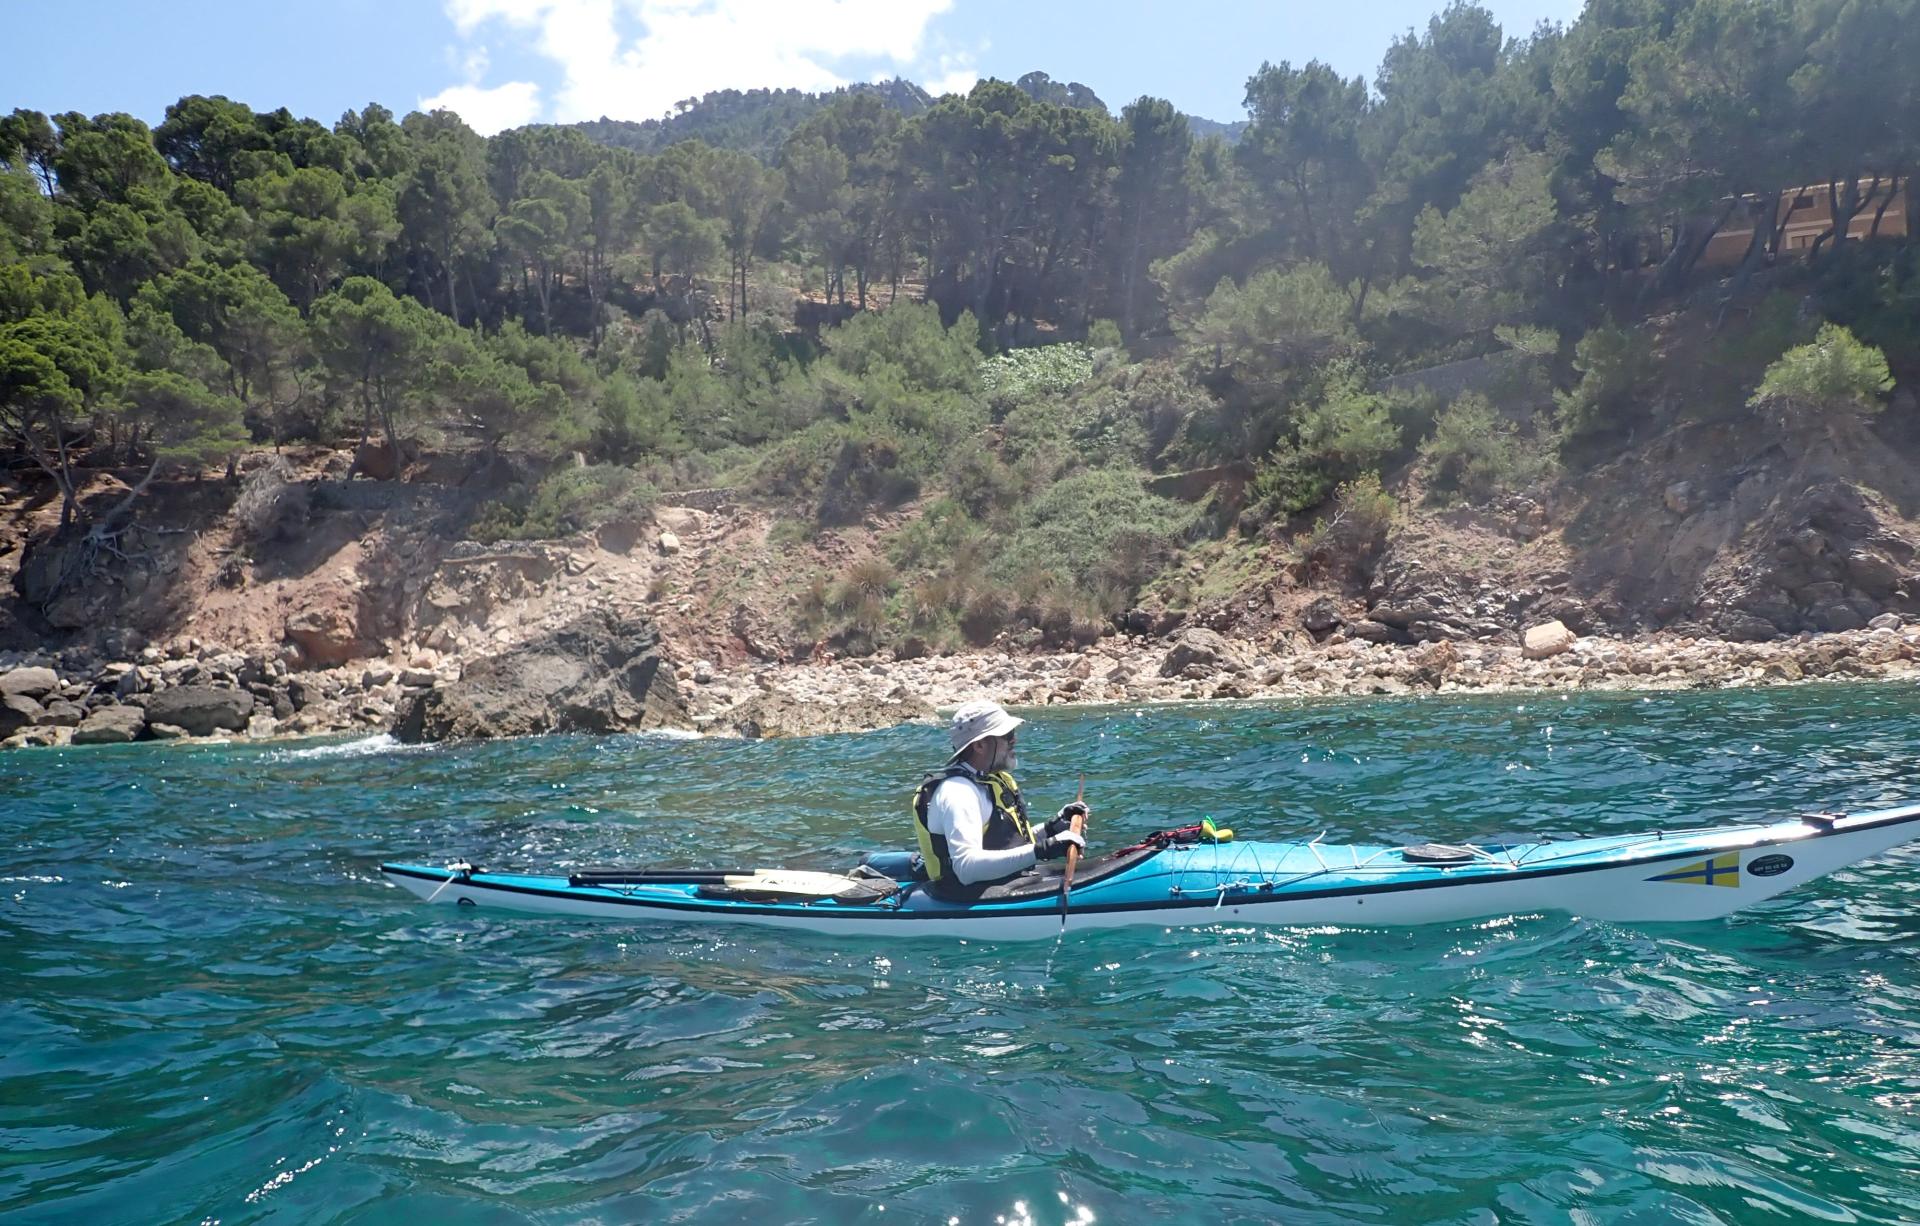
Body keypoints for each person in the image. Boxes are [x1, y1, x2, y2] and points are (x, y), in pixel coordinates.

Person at [911, 700, 1089, 900]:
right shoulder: (958, 792)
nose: (1015, 740)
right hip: (966, 895)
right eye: (1007, 736)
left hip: (1007, 881)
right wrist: (1043, 849)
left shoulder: (992, 779)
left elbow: (1003, 843)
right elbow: (967, 868)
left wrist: (1051, 829)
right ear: (979, 745)